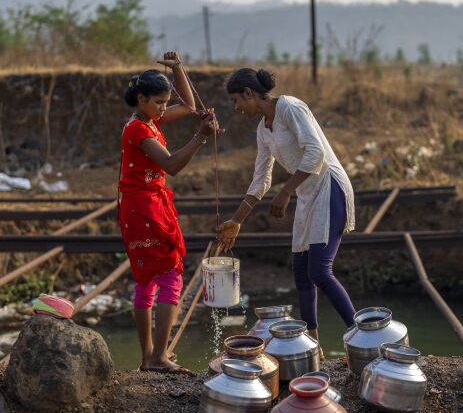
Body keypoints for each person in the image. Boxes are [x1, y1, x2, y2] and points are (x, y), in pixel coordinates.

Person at [217, 68, 356, 356]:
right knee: (301, 273)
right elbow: (261, 178)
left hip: (329, 187)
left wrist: (285, 191)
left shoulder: (290, 107)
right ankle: (314, 348)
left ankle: (361, 339)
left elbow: (315, 153)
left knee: (319, 270)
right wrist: (237, 220)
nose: (236, 107)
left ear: (249, 94)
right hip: (306, 193)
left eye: (236, 100)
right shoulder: (262, 129)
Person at [119, 52, 217, 374]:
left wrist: (178, 69)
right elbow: (172, 165)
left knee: (147, 281)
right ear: (142, 98)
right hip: (144, 209)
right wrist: (200, 137)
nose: (163, 108)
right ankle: (158, 356)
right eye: (158, 102)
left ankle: (149, 356)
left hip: (140, 207)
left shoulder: (146, 120)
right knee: (170, 278)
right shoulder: (140, 131)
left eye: (165, 102)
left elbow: (188, 105)